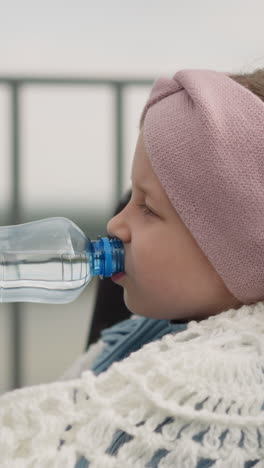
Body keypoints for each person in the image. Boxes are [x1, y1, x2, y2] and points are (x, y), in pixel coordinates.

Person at [1, 67, 264, 467]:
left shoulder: (212, 394)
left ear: (241, 249)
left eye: (147, 208)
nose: (115, 224)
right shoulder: (144, 331)